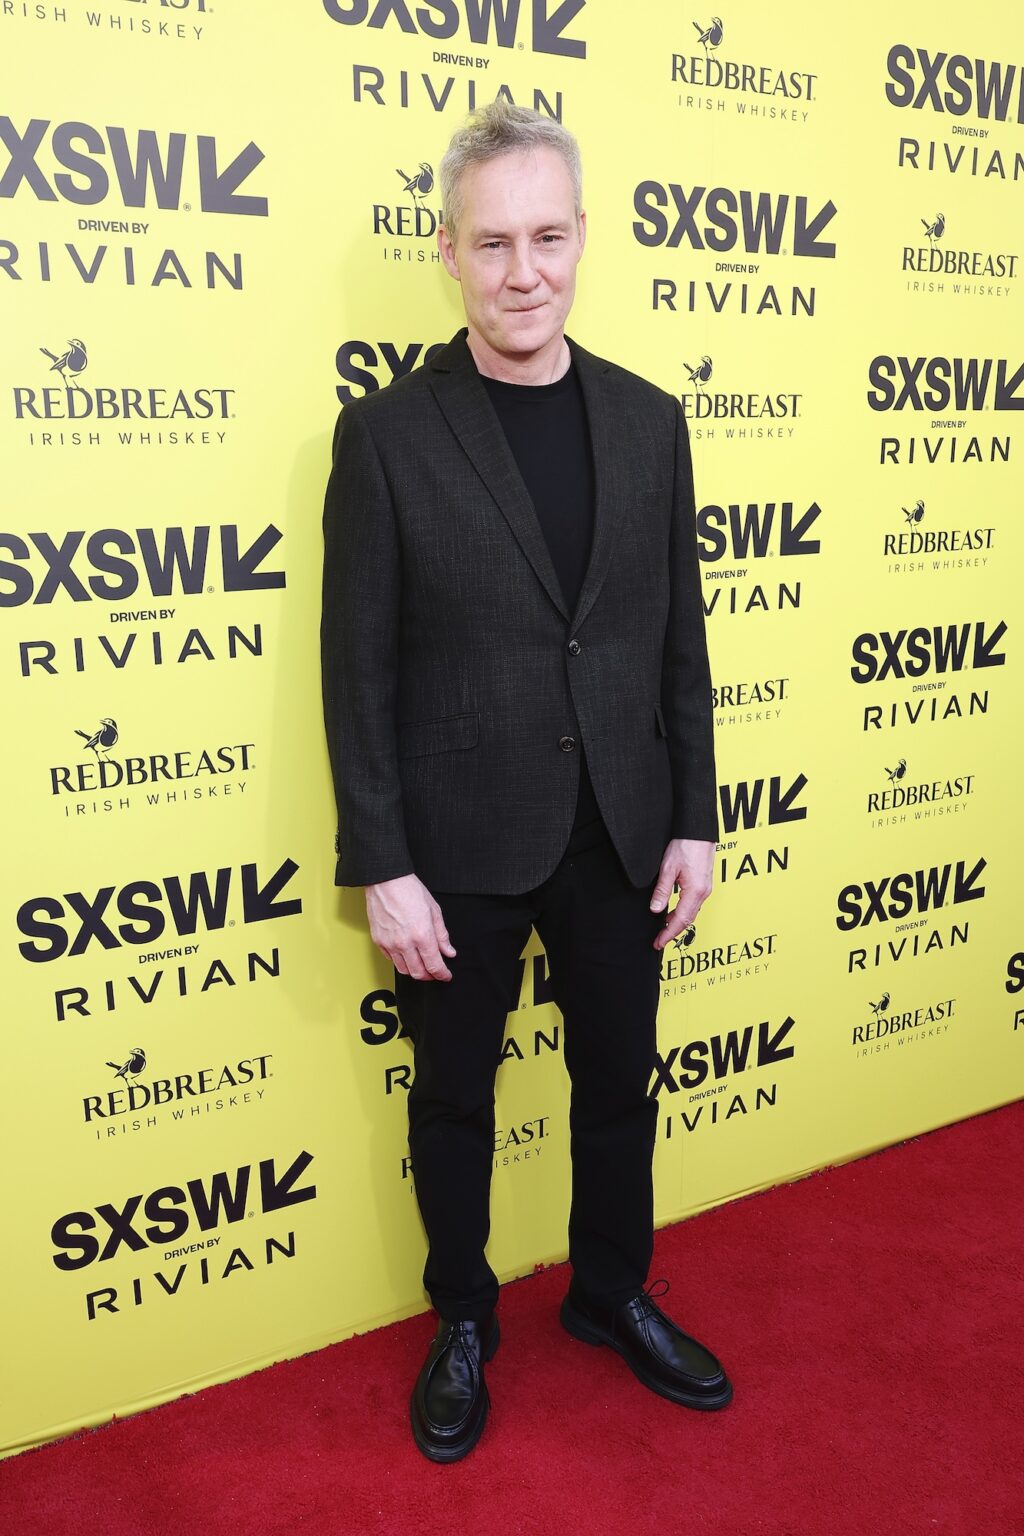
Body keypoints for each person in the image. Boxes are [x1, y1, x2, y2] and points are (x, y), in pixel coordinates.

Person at [320, 98, 731, 1464]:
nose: (523, 271)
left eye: (547, 236)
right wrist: (382, 863)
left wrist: (694, 816)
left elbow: (680, 639)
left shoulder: (652, 421)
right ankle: (462, 1319)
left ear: (581, 237)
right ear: (447, 250)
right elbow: (356, 668)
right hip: (457, 847)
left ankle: (611, 1294)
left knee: (621, 1083)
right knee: (454, 1102)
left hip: (620, 827)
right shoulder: (386, 438)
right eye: (492, 242)